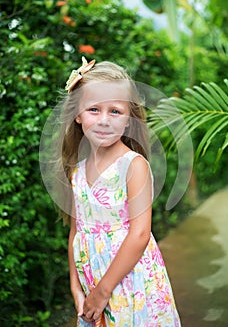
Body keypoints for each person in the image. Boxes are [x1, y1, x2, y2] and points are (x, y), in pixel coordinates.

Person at [61, 57, 181, 326]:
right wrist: (76, 288)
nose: (104, 120)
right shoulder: (76, 172)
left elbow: (139, 234)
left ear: (128, 119)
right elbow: (76, 231)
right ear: (77, 115)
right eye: (94, 109)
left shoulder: (133, 166)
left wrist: (102, 293)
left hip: (132, 282)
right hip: (92, 283)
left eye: (115, 111)